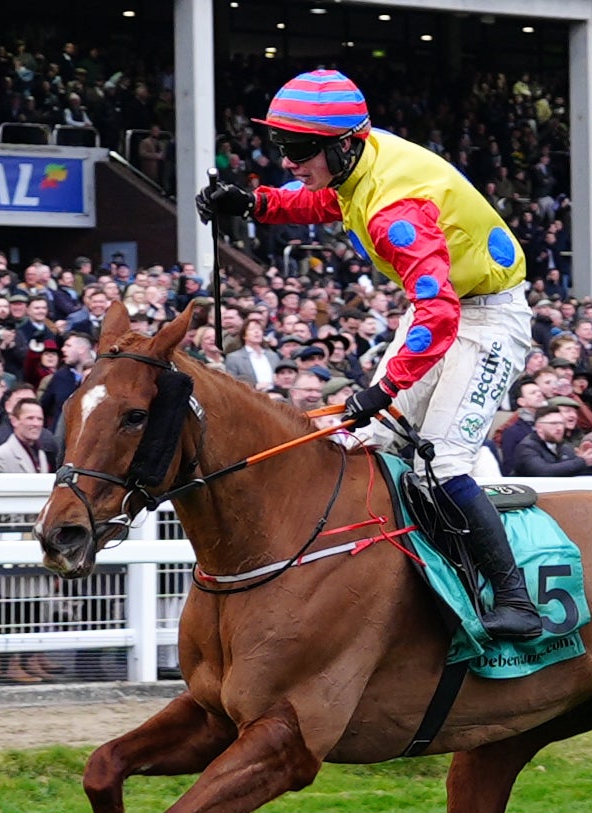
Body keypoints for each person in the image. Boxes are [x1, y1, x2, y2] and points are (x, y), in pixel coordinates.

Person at [198, 68, 546, 641]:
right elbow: (324, 201)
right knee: (366, 440)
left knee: (443, 464)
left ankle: (516, 600)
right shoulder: (358, 160)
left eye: (299, 148)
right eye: (281, 144)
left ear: (343, 145)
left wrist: (384, 390)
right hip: (443, 306)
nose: (287, 160)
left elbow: (439, 316)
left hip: (484, 319)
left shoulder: (395, 212)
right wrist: (254, 202)